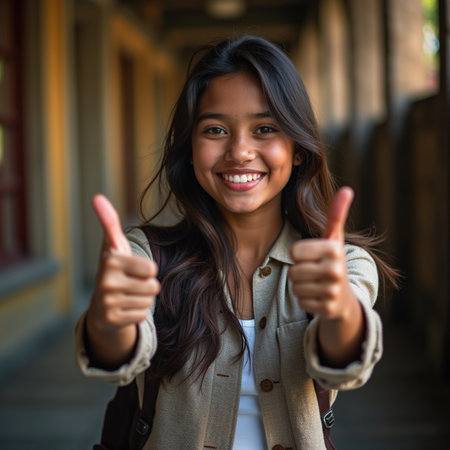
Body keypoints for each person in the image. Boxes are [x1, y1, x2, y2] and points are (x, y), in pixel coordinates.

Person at [75, 36, 397, 449]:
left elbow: (341, 364)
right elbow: (116, 354)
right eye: (215, 130)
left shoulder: (343, 263)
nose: (240, 151)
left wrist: (339, 315)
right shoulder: (146, 255)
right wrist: (108, 317)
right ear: (190, 150)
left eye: (265, 129)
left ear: (297, 149)